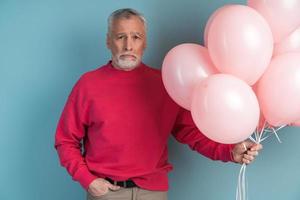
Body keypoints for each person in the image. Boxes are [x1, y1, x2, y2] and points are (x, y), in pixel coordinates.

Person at [54, 8, 262, 200]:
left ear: (144, 43)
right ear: (108, 41)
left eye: (136, 37)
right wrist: (87, 180)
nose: (128, 45)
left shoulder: (164, 83)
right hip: (106, 192)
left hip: (152, 192)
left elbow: (191, 132)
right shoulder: (88, 85)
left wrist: (229, 151)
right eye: (120, 37)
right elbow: (65, 141)